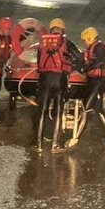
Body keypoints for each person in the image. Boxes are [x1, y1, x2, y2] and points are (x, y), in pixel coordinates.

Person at [33, 18, 79, 153]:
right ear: (62, 29)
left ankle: (38, 145)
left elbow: (38, 60)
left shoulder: (43, 41)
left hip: (45, 79)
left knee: (42, 111)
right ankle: (55, 145)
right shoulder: (66, 42)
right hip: (60, 79)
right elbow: (79, 58)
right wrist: (72, 66)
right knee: (58, 111)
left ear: (51, 28)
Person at [79, 26, 105, 143]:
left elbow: (100, 61)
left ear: (89, 38)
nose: (84, 43)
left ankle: (75, 138)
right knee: (98, 108)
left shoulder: (100, 47)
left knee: (86, 108)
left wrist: (85, 69)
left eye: (85, 40)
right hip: (94, 81)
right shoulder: (93, 48)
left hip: (99, 82)